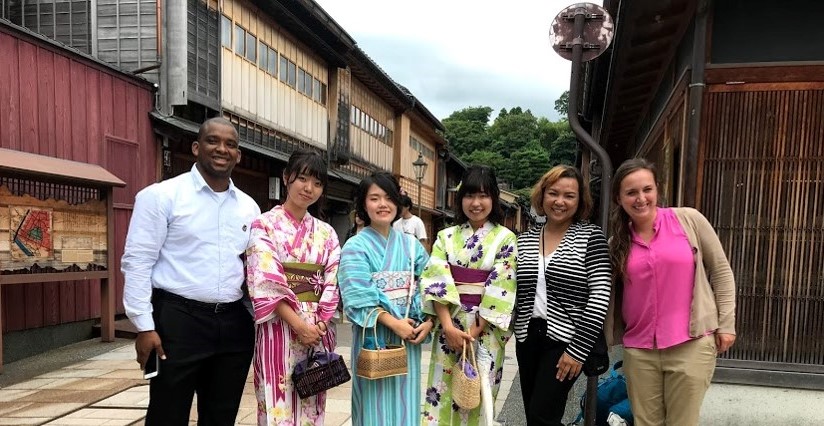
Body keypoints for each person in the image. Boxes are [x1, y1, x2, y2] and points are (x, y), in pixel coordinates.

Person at [122, 117, 260, 425]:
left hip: (234, 324)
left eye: (231, 144)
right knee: (166, 414)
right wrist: (144, 326)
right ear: (197, 147)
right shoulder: (160, 196)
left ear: (238, 155)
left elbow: (254, 268)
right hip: (176, 322)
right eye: (213, 141)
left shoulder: (249, 208)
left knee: (221, 416)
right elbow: (137, 262)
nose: (222, 149)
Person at [605, 158, 736, 426]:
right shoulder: (617, 243)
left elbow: (721, 271)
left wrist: (726, 324)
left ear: (657, 190)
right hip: (640, 349)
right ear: (619, 198)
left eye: (647, 189)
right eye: (631, 193)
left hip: (691, 343)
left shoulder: (688, 220)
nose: (641, 198)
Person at [245, 149, 341, 425]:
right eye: (302, 179)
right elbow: (265, 279)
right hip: (279, 324)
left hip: (317, 330)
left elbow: (333, 279)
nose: (309, 188)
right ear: (286, 178)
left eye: (317, 183)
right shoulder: (264, 225)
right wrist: (299, 325)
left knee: (312, 403)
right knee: (276, 401)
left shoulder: (326, 232)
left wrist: (320, 324)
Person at [512, 165, 611, 425]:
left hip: (566, 341)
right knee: (534, 414)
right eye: (553, 193)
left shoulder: (591, 237)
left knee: (542, 415)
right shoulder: (525, 240)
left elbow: (600, 297)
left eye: (569, 196)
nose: (560, 201)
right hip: (527, 337)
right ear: (542, 196)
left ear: (580, 201)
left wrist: (577, 350)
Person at [420, 165, 517, 426]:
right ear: (460, 198)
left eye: (483, 196)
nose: (476, 203)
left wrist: (470, 334)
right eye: (469, 195)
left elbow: (501, 288)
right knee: (441, 394)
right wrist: (450, 328)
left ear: (494, 198)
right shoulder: (446, 236)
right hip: (449, 327)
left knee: (479, 395)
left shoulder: (505, 239)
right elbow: (436, 279)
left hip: (484, 331)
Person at [337, 172, 432, 426]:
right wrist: (395, 323)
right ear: (363, 205)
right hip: (374, 337)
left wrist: (428, 321)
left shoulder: (412, 246)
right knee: (373, 409)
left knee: (406, 406)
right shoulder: (355, 246)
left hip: (408, 336)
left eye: (388, 198)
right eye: (374, 198)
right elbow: (358, 296)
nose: (382, 205)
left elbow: (432, 283)